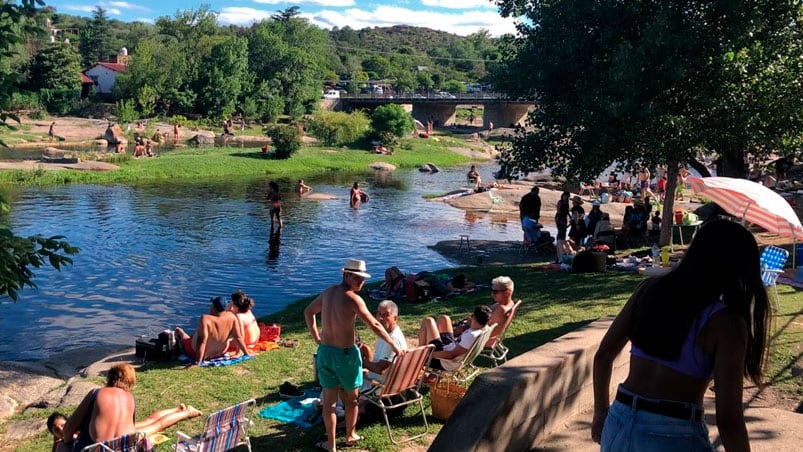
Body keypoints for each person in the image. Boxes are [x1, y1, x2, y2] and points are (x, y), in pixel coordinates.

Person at [591, 220, 770, 451]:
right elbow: (729, 421)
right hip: (674, 434)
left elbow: (603, 356)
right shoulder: (725, 324)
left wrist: (600, 414)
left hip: (620, 422)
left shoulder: (648, 291)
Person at [303, 259, 404, 452]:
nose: (362, 282)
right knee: (351, 399)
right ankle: (350, 435)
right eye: (358, 278)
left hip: (325, 353)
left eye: (363, 278)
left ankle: (331, 444)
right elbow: (374, 324)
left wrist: (317, 337)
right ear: (346, 275)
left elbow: (309, 312)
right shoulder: (353, 299)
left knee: (330, 401)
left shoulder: (328, 292)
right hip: (346, 355)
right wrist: (393, 344)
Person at [61, 363, 202, 451]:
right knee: (153, 423)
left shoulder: (96, 393)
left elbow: (67, 430)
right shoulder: (130, 398)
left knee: (62, 445)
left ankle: (183, 411)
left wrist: (68, 441)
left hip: (96, 449)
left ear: (109, 377)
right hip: (124, 447)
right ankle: (181, 411)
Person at [174, 297, 251, 366]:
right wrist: (246, 354)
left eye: (211, 305)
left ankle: (180, 332)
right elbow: (238, 338)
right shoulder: (232, 317)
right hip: (220, 353)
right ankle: (181, 332)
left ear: (214, 308)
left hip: (201, 354)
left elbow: (202, 342)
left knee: (186, 341)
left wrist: (198, 362)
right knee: (192, 337)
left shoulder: (206, 319)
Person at [417, 305, 492, 372]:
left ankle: (420, 358)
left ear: (473, 317)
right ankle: (421, 357)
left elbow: (451, 355)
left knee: (428, 321)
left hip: (444, 361)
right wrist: (467, 326)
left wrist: (428, 355)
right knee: (444, 318)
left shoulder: (471, 336)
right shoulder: (484, 329)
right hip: (451, 346)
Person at [358, 300, 408, 389]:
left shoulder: (393, 339)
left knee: (342, 381)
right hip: (382, 379)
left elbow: (380, 369)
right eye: (379, 314)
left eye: (386, 315)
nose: (380, 318)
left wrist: (360, 361)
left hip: (378, 385)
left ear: (395, 318)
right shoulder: (390, 333)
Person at [555, 191, 571, 262]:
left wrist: (570, 217)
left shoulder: (567, 203)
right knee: (560, 232)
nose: (566, 197)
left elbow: (567, 212)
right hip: (560, 218)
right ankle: (558, 245)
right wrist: (558, 220)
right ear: (563, 196)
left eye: (567, 196)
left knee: (564, 232)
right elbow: (558, 211)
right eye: (565, 196)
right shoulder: (560, 202)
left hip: (564, 218)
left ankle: (562, 246)